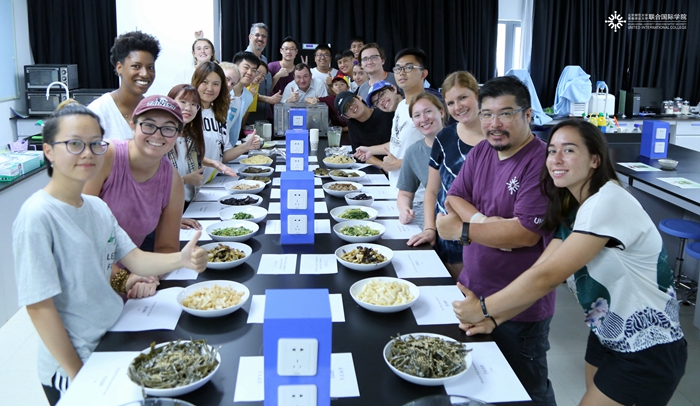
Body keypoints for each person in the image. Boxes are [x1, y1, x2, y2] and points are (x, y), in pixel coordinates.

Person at [448, 119, 688, 406]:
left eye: (569, 150)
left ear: (595, 160)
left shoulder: (608, 201)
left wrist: (484, 308)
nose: (556, 159)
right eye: (552, 151)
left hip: (649, 346)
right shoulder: (574, 210)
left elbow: (547, 276)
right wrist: (494, 319)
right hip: (607, 333)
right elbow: (540, 271)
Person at [14, 102, 207, 405]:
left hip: (113, 335)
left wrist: (181, 259)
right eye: (75, 144)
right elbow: (39, 308)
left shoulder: (96, 207)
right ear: (49, 150)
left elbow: (135, 258)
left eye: (95, 144)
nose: (88, 153)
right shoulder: (38, 216)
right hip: (76, 360)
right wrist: (78, 375)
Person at [438, 76, 556, 405]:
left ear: (528, 115)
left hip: (519, 307)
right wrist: (483, 223)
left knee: (526, 392)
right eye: (487, 114)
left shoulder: (541, 162)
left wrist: (462, 231)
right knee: (482, 384)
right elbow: (455, 197)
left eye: (505, 113)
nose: (494, 124)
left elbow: (523, 234)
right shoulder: (482, 152)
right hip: (472, 291)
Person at [84, 95, 188, 297]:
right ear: (133, 126)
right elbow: (78, 233)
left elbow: (167, 247)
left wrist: (149, 275)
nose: (157, 135)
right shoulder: (104, 156)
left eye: (168, 128)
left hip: (128, 286)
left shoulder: (172, 181)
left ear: (178, 134)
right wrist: (123, 279)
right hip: (82, 280)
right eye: (148, 125)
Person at [427, 71, 484, 279]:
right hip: (447, 236)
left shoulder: (497, 139)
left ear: (477, 94)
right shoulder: (444, 138)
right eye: (450, 103)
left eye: (463, 97)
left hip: (484, 234)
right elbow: (432, 190)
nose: (457, 107)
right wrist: (429, 228)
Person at [354, 49, 428, 189]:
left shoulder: (427, 108)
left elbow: (436, 154)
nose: (402, 72)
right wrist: (370, 150)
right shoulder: (401, 106)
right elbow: (397, 143)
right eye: (398, 68)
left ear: (423, 73)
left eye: (408, 67)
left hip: (418, 192)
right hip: (398, 188)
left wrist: (398, 164)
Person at [191, 62, 259, 183]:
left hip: (207, 183)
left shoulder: (220, 115)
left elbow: (223, 155)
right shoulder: (187, 113)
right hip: (185, 185)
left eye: (216, 84)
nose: (210, 88)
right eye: (205, 82)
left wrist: (245, 146)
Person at [88, 31, 161, 140]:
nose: (145, 74)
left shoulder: (154, 111)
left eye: (150, 67)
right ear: (119, 67)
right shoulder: (98, 112)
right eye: (136, 66)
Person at [397, 92, 445, 231]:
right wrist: (404, 209)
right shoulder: (413, 152)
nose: (423, 119)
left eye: (428, 111)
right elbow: (404, 193)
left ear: (441, 112)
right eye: (417, 115)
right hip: (431, 220)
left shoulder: (461, 143)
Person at [166, 84, 207, 231]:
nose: (188, 108)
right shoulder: (159, 138)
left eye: (194, 104)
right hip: (166, 213)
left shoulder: (193, 137)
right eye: (183, 102)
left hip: (190, 206)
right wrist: (185, 179)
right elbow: (150, 184)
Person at [336, 91, 393, 168]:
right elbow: (360, 154)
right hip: (379, 169)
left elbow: (399, 143)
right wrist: (383, 166)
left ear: (359, 97)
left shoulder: (385, 112)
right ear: (346, 116)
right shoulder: (352, 125)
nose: (351, 107)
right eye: (346, 109)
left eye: (351, 101)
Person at [227, 52, 261, 144]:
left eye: (254, 70)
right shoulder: (221, 91)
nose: (249, 73)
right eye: (246, 67)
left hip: (228, 145)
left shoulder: (248, 97)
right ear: (235, 67)